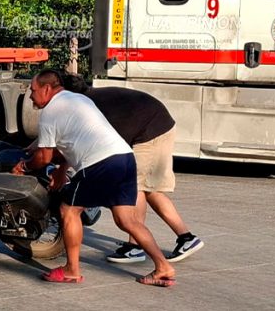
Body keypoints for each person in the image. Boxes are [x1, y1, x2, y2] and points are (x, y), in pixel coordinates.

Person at [13, 70, 176, 287]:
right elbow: (75, 141)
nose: (31, 96)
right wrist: (62, 170)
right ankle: (163, 266)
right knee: (127, 220)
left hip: (100, 163)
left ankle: (72, 270)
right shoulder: (79, 100)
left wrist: (23, 166)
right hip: (125, 158)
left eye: (33, 91)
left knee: (69, 210)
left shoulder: (50, 112)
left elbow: (44, 157)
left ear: (47, 89)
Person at [63, 74, 203, 264]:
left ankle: (136, 247)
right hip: (157, 125)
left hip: (150, 132)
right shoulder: (94, 97)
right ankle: (186, 238)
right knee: (151, 191)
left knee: (134, 187)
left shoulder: (88, 106)